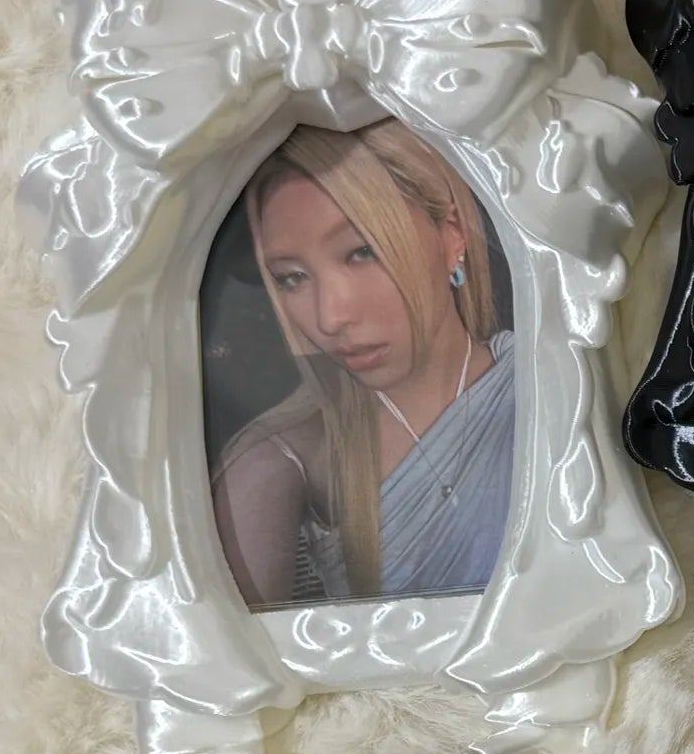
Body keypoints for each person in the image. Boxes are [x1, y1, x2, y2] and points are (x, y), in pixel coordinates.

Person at [208, 119, 515, 608]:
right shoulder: (288, 455)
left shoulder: (550, 382)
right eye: (292, 278)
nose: (330, 317)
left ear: (452, 235)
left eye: (361, 253)